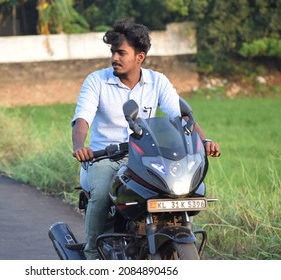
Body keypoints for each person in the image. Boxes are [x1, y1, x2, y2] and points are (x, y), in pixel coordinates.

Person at [71, 19, 220, 260]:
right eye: (113, 52)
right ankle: (91, 255)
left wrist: (204, 141)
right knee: (100, 193)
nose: (114, 58)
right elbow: (81, 121)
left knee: (172, 192)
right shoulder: (96, 81)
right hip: (103, 158)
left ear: (139, 57)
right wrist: (80, 147)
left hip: (141, 156)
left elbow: (182, 116)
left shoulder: (157, 81)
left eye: (121, 52)